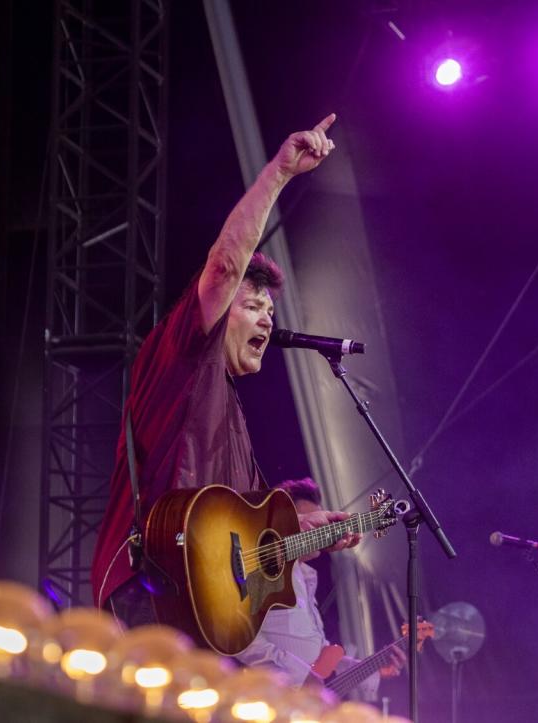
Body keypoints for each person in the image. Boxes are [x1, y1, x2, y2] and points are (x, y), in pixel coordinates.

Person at [90, 114, 361, 627]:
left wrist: (307, 529)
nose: (268, 318)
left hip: (204, 613)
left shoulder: (229, 411)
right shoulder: (183, 357)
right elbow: (225, 264)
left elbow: (238, 544)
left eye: (272, 311)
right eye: (255, 305)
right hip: (151, 590)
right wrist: (279, 174)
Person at [236, 478, 406, 701]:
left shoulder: (305, 575)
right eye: (310, 526)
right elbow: (239, 638)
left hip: (297, 702)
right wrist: (299, 675)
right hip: (261, 697)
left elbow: (319, 653)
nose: (319, 534)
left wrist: (371, 669)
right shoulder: (259, 569)